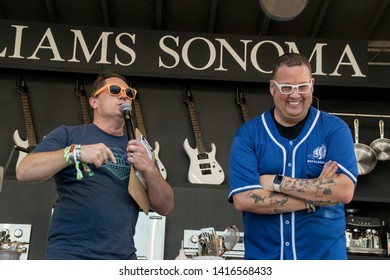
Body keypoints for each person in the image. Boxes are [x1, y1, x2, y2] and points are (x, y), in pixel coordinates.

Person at [16, 69, 174, 260]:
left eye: (129, 93)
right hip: (71, 254)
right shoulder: (69, 134)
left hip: (122, 257)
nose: (124, 95)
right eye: (114, 90)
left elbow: (165, 206)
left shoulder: (140, 147)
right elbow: (24, 171)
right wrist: (76, 152)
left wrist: (149, 168)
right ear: (94, 101)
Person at [228, 53, 358, 260]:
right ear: (273, 88)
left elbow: (343, 191)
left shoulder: (334, 129)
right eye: (286, 87)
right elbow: (244, 199)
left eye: (302, 87)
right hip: (265, 262)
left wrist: (276, 182)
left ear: (312, 85)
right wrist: (315, 196)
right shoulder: (248, 135)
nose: (295, 95)